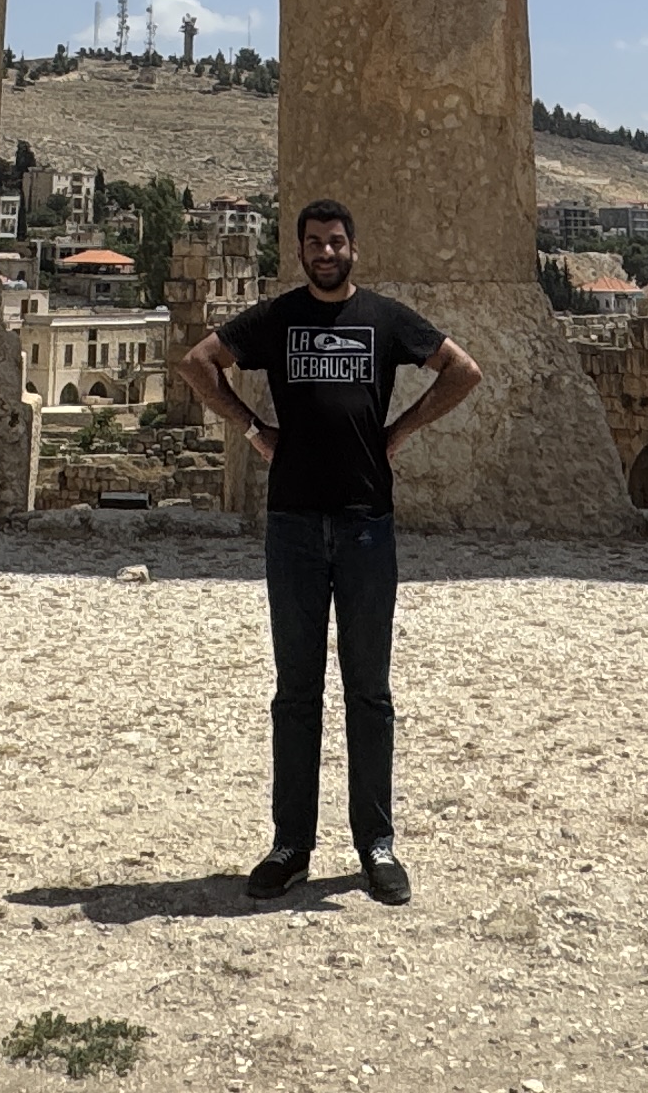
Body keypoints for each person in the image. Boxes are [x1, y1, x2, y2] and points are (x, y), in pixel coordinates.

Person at [172, 198, 482, 904]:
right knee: (296, 693)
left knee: (369, 692)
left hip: (366, 521)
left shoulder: (385, 318)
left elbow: (463, 370)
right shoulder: (278, 318)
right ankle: (291, 845)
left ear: (353, 248)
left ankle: (376, 845)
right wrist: (254, 429)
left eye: (336, 241)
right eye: (314, 242)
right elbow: (197, 362)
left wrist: (399, 430)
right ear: (301, 250)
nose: (325, 252)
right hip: (292, 523)